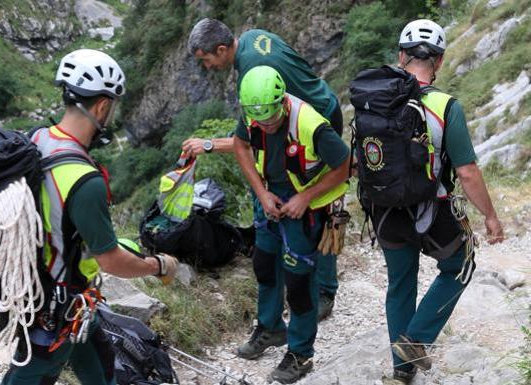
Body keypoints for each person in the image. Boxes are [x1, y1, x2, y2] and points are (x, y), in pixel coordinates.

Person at [0, 49, 179, 385]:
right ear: (101, 106)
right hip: (57, 309)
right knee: (33, 373)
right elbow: (110, 261)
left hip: (52, 293)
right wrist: (158, 266)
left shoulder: (37, 138)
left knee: (101, 363)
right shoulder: (85, 180)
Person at [372, 20, 505, 384]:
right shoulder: (446, 106)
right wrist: (490, 217)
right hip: (433, 211)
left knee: (400, 282)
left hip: (385, 211)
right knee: (459, 266)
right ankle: (415, 342)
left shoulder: (374, 99)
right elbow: (467, 173)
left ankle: (402, 372)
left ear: (401, 56)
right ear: (441, 61)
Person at [184, 17, 343, 320]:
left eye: (206, 60)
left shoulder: (253, 71)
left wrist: (209, 144)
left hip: (317, 125)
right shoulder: (253, 37)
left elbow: (259, 132)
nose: (207, 67)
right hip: (323, 104)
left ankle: (323, 291)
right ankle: (309, 286)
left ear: (220, 49)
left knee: (316, 209)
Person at [233, 66, 349, 384]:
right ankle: (270, 327)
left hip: (306, 205)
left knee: (299, 284)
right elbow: (241, 145)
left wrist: (305, 198)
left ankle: (300, 353)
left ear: (282, 101)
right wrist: (261, 192)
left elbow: (345, 165)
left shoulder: (310, 124)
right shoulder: (253, 111)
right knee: (265, 265)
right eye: (261, 122)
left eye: (272, 120)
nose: (267, 127)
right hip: (270, 196)